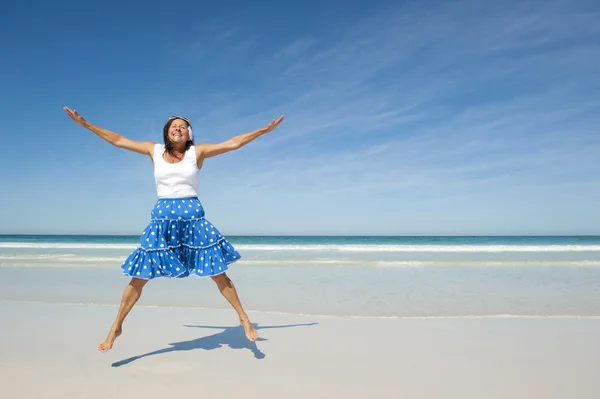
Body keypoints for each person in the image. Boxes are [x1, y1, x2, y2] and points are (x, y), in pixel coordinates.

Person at [63, 106, 284, 353]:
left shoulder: (197, 153)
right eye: (173, 126)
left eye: (182, 126)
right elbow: (118, 140)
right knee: (139, 277)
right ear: (167, 133)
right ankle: (116, 326)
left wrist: (264, 131)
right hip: (162, 224)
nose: (177, 128)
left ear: (189, 134)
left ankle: (243, 318)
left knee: (218, 273)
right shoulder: (154, 150)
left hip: (194, 223)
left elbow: (233, 143)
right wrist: (88, 125)